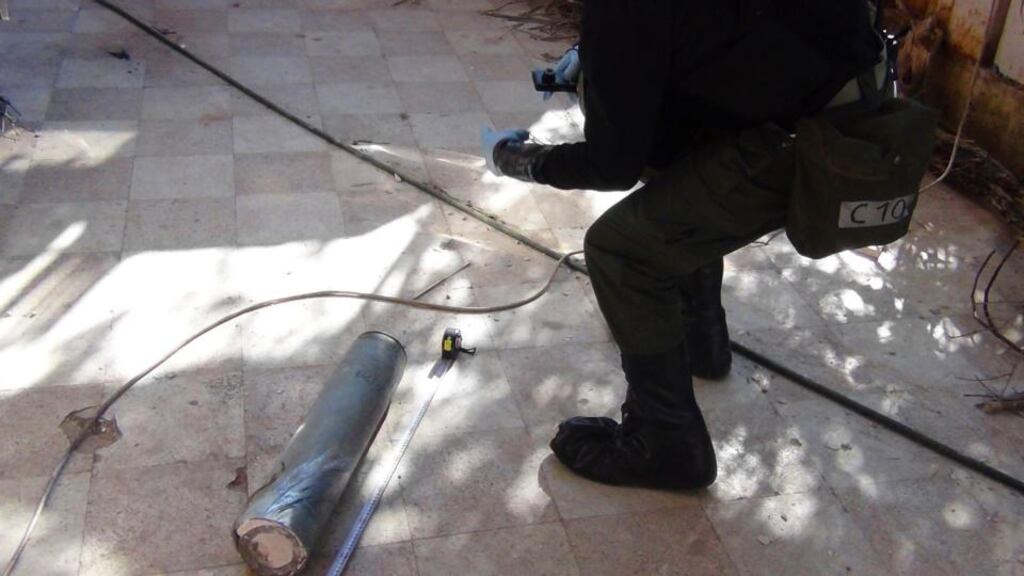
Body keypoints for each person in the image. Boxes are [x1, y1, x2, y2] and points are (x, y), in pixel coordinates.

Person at [481, 1, 884, 489]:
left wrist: (515, 158)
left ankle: (665, 442)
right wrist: (597, 52)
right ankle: (701, 339)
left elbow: (614, 163)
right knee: (672, 155)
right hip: (853, 92)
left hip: (824, 140)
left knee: (621, 250)